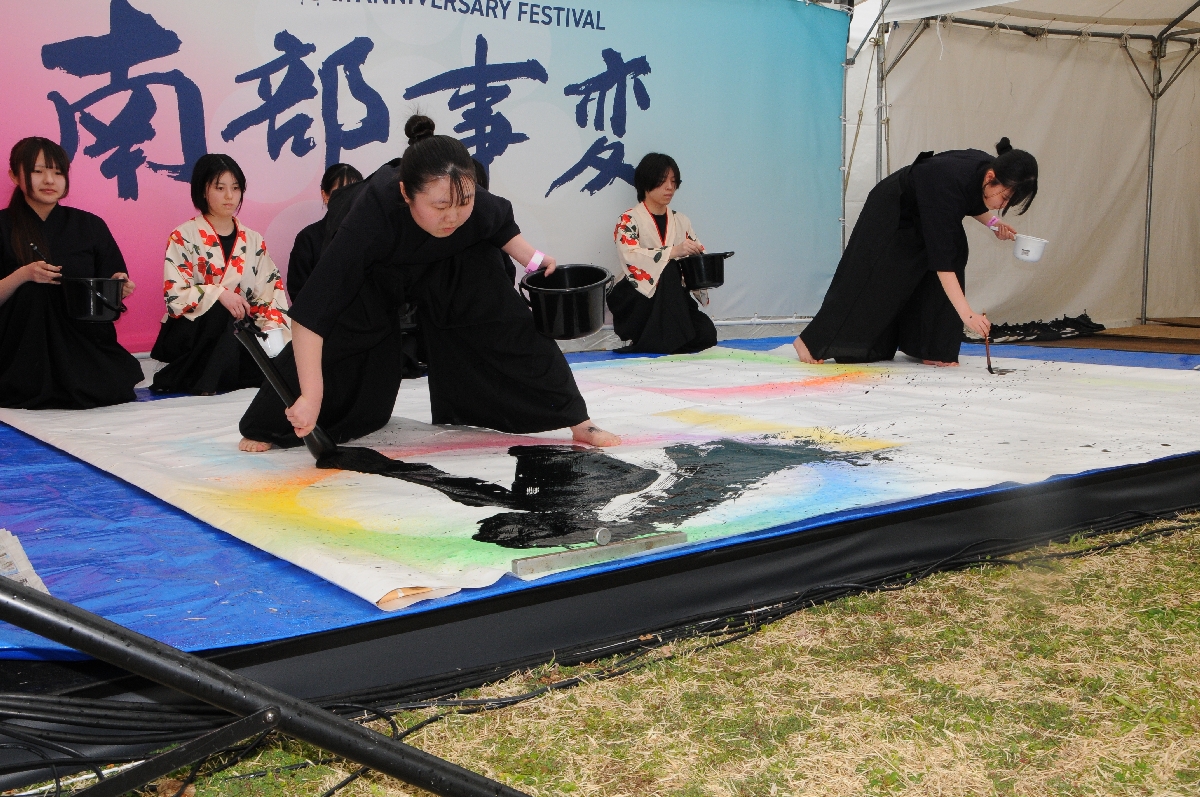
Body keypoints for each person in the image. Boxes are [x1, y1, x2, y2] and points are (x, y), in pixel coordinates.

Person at [238, 115, 619, 452]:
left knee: (504, 314)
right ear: (406, 193)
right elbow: (313, 314)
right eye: (441, 206)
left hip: (444, 258)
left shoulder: (464, 197)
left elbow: (500, 227)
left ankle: (576, 419)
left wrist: (538, 262)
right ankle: (268, 422)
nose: (453, 215)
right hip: (378, 267)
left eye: (464, 202)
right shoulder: (369, 219)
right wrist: (312, 395)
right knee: (351, 338)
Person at [794, 138, 1038, 366]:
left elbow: (969, 199)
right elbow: (943, 259)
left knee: (947, 262)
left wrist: (994, 225)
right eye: (1004, 198)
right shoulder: (950, 181)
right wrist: (967, 314)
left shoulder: (984, 171)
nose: (1003, 206)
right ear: (992, 177)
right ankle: (813, 343)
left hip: (927, 213)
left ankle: (931, 348)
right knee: (872, 279)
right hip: (894, 211)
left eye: (1010, 203)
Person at [0, 137, 142, 409]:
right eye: (38, 171)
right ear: (14, 176)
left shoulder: (89, 225)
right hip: (21, 347)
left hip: (81, 341)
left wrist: (118, 287)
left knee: (111, 387)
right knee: (34, 292)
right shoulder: (2, 226)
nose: (49, 180)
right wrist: (23, 275)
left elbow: (111, 280)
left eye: (57, 172)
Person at [149, 154, 290, 395]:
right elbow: (175, 296)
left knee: (267, 342)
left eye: (235, 188)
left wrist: (272, 324)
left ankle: (211, 375)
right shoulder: (183, 236)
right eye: (220, 188)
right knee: (222, 310)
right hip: (193, 330)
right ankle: (206, 379)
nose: (229, 196)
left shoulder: (253, 240)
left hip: (239, 329)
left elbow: (270, 291)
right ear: (203, 190)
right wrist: (219, 293)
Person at [607, 153, 717, 354]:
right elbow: (629, 255)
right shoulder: (628, 219)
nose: (670, 187)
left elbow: (698, 253)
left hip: (674, 296)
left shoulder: (681, 220)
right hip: (638, 297)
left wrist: (701, 263)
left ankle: (661, 340)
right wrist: (673, 252)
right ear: (646, 183)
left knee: (707, 334)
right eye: (662, 181)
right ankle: (661, 338)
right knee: (668, 266)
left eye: (674, 182)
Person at [286, 163, 363, 300]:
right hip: (315, 319)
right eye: (341, 192)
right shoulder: (308, 238)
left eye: (354, 191)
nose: (348, 198)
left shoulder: (368, 236)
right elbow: (298, 291)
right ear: (325, 195)